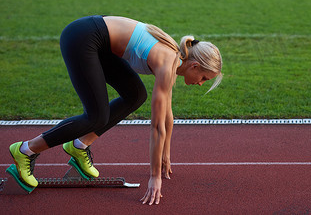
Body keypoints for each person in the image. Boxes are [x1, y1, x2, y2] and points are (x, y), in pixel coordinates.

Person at [8, 15, 222, 205]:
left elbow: (167, 117)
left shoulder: (174, 59)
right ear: (194, 66)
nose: (201, 83)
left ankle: (79, 145)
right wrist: (154, 176)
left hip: (99, 45)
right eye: (204, 78)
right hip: (82, 38)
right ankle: (26, 150)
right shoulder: (168, 63)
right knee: (96, 116)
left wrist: (166, 156)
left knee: (136, 95)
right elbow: (156, 127)